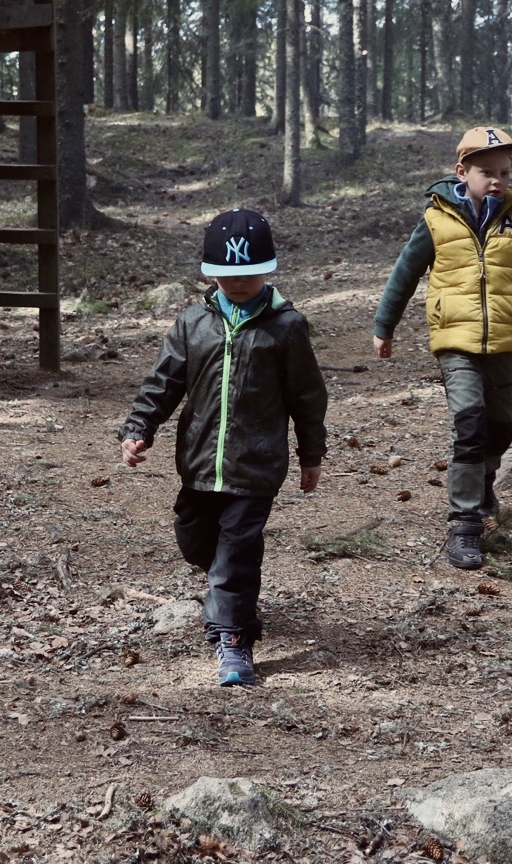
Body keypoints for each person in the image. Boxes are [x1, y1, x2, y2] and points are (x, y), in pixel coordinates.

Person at [119, 208, 327, 687]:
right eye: (227, 276)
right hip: (198, 461)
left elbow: (307, 395)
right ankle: (229, 593)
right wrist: (138, 429)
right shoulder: (193, 322)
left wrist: (310, 453)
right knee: (195, 540)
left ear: (268, 269)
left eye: (248, 275)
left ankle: (233, 638)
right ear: (209, 274)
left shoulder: (286, 326)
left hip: (257, 464)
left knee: (236, 551)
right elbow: (163, 382)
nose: (238, 284)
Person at [372, 127, 512, 570]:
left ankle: (485, 481)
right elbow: (404, 274)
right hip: (455, 340)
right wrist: (384, 326)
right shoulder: (436, 219)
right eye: (488, 172)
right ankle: (464, 524)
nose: (498, 180)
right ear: (462, 171)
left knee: (500, 427)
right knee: (469, 425)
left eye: (506, 172)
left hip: (504, 338)